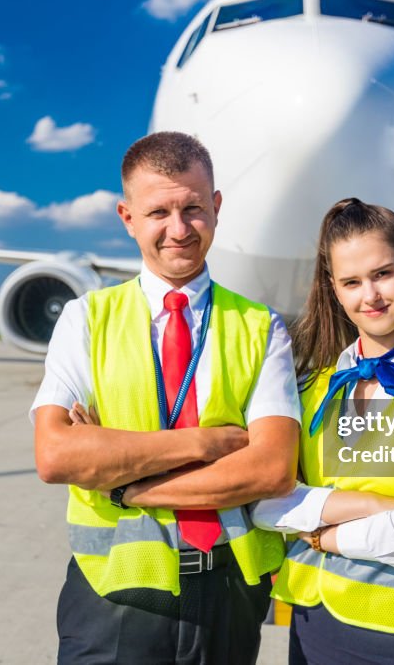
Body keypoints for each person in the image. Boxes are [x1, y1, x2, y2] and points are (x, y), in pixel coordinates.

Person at [29, 131, 301, 664]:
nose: (178, 230)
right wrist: (207, 443)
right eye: (158, 212)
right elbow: (57, 455)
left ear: (216, 208)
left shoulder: (260, 327)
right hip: (112, 592)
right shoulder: (87, 319)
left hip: (228, 591)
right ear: (127, 217)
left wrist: (127, 483)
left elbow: (271, 470)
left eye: (193, 209)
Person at [252, 198, 394, 664]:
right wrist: (377, 507)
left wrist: (321, 534)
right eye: (351, 282)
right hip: (311, 627)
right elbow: (262, 503)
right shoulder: (310, 391)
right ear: (335, 291)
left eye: (383, 274)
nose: (370, 296)